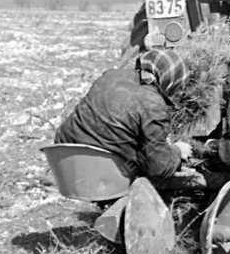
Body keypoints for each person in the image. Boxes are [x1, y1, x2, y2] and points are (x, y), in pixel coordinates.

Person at [54, 49, 193, 179]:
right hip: (102, 175)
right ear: (170, 81)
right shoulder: (154, 104)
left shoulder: (110, 75)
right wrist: (177, 151)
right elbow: (159, 167)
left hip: (63, 160)